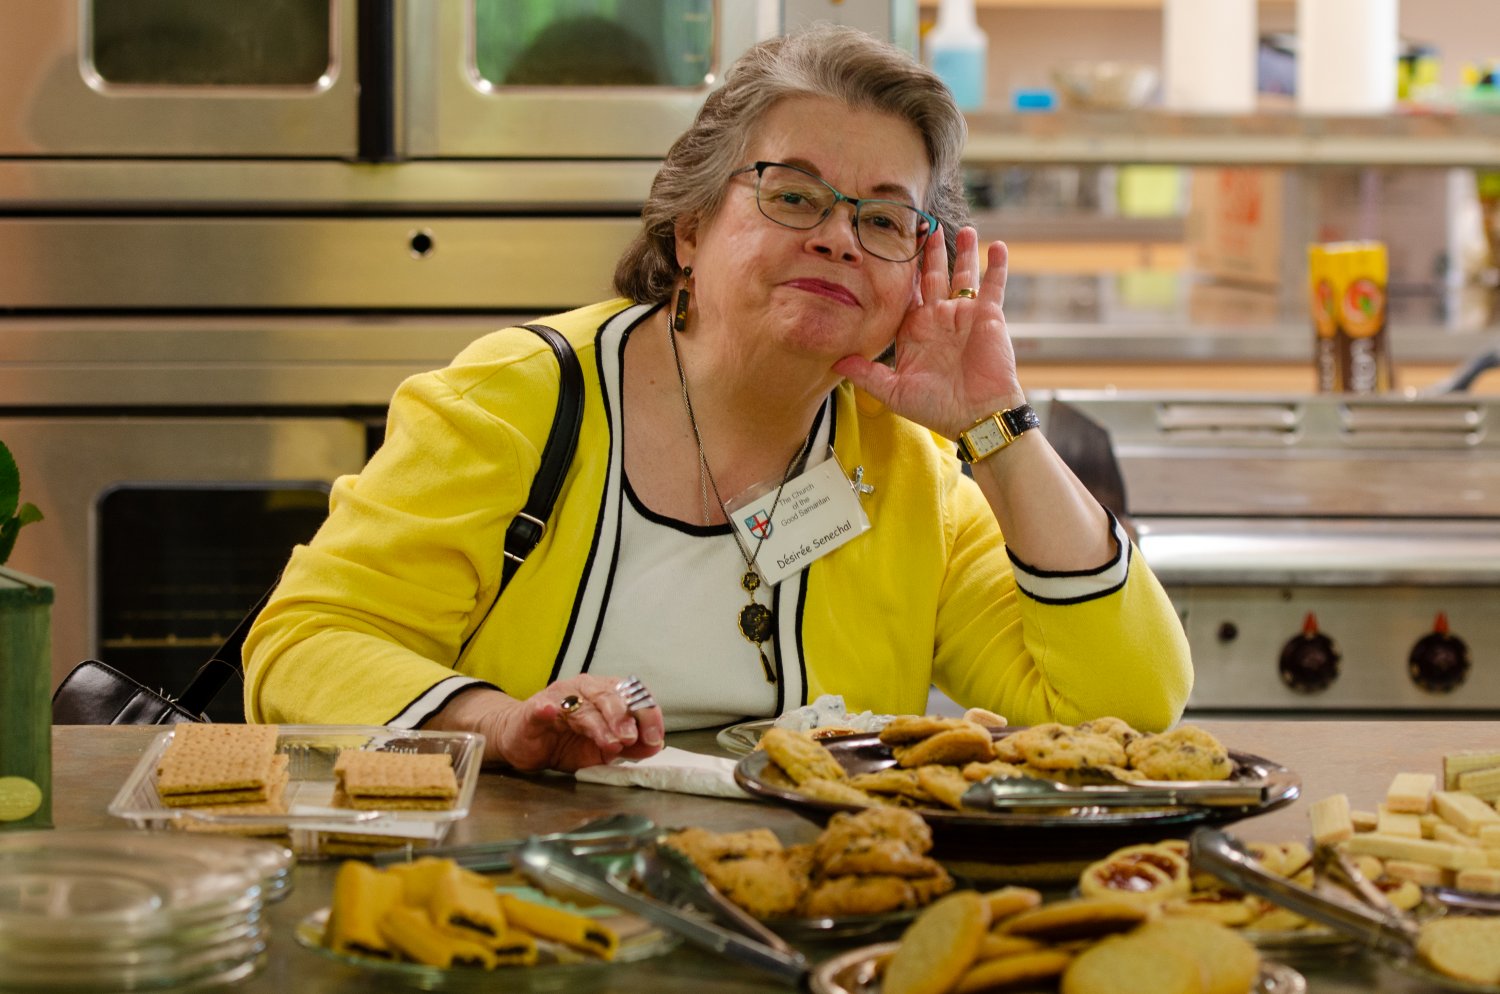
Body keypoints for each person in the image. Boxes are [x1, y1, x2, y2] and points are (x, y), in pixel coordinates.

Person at [243, 24, 1193, 772]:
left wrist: (1000, 427)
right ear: (691, 228)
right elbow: (304, 645)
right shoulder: (521, 401)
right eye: (794, 195)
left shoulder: (906, 470)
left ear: (919, 269)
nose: (839, 239)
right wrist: (497, 722)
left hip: (800, 914)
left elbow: (1127, 706)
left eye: (884, 218)